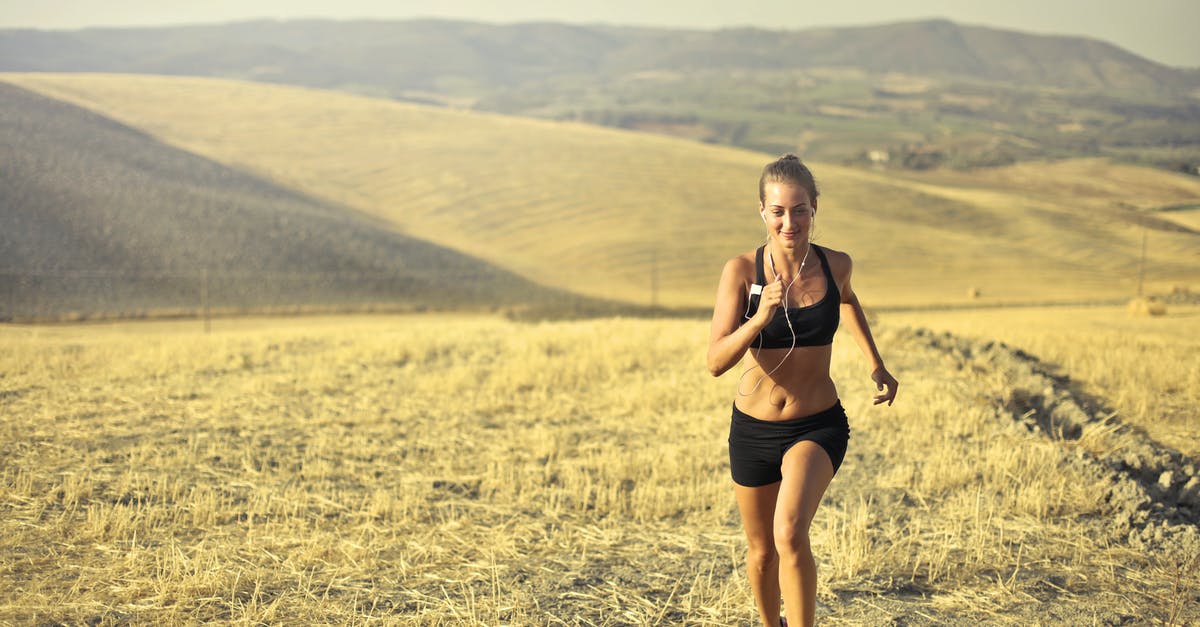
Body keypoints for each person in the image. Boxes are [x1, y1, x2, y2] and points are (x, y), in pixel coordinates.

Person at [706, 154, 898, 627]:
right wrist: (758, 319)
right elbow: (714, 362)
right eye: (778, 211)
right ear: (762, 212)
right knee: (762, 552)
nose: (789, 222)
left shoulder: (836, 265)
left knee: (789, 534)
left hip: (816, 423)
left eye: (800, 210)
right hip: (752, 431)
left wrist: (876, 363)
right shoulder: (742, 272)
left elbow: (847, 301)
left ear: (815, 208)